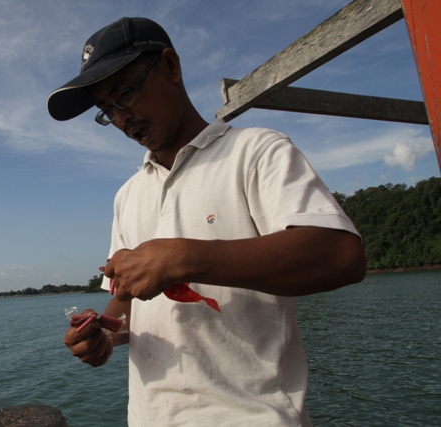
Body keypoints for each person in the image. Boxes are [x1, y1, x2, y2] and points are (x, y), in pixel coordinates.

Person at [47, 17, 366, 427]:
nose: (122, 119)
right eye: (107, 110)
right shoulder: (127, 195)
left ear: (170, 66)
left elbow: (341, 256)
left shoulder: (256, 152)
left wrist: (184, 257)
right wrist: (104, 333)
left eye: (124, 94)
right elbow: (124, 298)